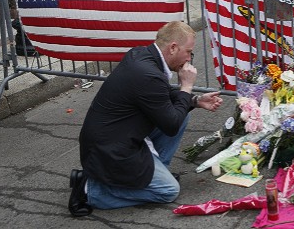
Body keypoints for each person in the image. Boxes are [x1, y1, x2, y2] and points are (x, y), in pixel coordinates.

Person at [68, 21, 223, 216]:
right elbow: (171, 124)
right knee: (169, 191)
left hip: (114, 138)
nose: (190, 58)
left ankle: (158, 174)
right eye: (189, 52)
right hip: (110, 151)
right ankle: (90, 190)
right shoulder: (147, 74)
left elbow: (163, 96)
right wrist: (186, 87)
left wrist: (195, 100)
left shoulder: (142, 55)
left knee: (181, 113)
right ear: (173, 48)